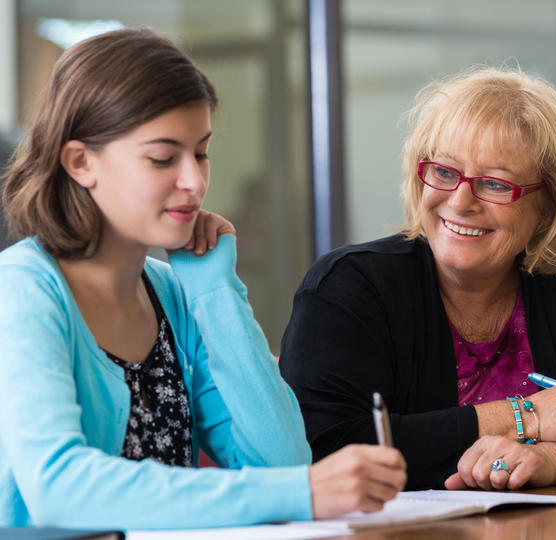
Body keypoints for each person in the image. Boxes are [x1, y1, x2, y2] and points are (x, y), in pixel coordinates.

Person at [0, 28, 405, 529]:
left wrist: (216, 289)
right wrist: (296, 491)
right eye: (163, 158)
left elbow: (281, 464)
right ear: (81, 162)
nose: (194, 181)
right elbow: (59, 487)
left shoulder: (172, 292)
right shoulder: (24, 289)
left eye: (201, 153)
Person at [279, 66, 556, 491]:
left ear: (546, 208)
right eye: (444, 172)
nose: (460, 202)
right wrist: (529, 416)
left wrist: (555, 460)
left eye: (494, 184)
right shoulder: (347, 287)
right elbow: (326, 449)